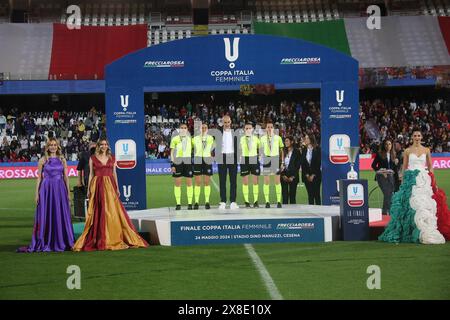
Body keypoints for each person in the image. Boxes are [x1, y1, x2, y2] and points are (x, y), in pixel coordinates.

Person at [73, 138, 148, 251]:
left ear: (108, 146)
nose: (104, 146)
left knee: (112, 211)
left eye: (105, 144)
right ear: (98, 146)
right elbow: (91, 174)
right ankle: (100, 236)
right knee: (99, 210)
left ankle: (112, 235)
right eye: (102, 144)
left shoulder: (112, 157)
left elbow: (114, 173)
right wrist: (89, 189)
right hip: (97, 184)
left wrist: (117, 187)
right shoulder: (92, 158)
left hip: (110, 185)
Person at [379, 129, 450, 244]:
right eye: (415, 135)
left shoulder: (426, 150)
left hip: (423, 179)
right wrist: (402, 179)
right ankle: (411, 228)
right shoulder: (407, 151)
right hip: (410, 179)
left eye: (419, 135)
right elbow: (404, 166)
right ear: (412, 137)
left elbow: (430, 166)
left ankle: (425, 226)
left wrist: (432, 177)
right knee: (407, 205)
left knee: (425, 203)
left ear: (421, 137)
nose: (417, 137)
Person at [18, 138, 74, 252]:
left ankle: (62, 240)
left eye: (55, 145)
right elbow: (39, 178)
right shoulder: (43, 160)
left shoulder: (62, 159)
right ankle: (45, 240)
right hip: (46, 189)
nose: (53, 147)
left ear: (58, 146)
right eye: (51, 145)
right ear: (47, 147)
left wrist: (68, 193)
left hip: (60, 189)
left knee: (60, 213)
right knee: (46, 213)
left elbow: (66, 177)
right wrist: (36, 194)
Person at [170, 123, 194, 210]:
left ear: (187, 129)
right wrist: (172, 164)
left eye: (185, 128)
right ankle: (178, 204)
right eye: (182, 128)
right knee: (177, 184)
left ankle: (190, 204)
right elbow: (172, 152)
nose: (183, 129)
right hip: (177, 161)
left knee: (189, 183)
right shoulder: (175, 139)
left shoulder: (190, 139)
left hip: (187, 161)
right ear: (179, 129)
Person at [217, 115, 239, 210]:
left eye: (228, 122)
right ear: (222, 122)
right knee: (222, 181)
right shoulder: (218, 133)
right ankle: (223, 201)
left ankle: (233, 202)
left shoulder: (235, 133)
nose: (226, 124)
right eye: (224, 122)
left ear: (231, 122)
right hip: (222, 157)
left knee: (233, 181)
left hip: (232, 157)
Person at [260, 121, 284, 208]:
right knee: (266, 181)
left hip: (275, 159)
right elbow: (260, 150)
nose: (269, 129)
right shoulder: (262, 138)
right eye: (268, 127)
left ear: (273, 128)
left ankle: (279, 201)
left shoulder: (278, 138)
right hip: (266, 160)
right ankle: (267, 202)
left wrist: (282, 162)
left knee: (277, 181)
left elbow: (282, 151)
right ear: (266, 128)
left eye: (271, 127)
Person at [371, 139, 398, 215]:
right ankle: (388, 211)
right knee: (387, 193)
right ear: (384, 145)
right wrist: (381, 170)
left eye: (389, 144)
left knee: (389, 193)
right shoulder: (379, 154)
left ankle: (385, 212)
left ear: (392, 145)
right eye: (386, 144)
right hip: (381, 176)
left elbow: (394, 168)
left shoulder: (393, 154)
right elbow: (373, 165)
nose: (388, 146)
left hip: (391, 177)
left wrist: (396, 164)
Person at [192, 123, 215, 209]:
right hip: (198, 159)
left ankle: (207, 202)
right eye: (202, 127)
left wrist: (212, 156)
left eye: (205, 127)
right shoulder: (194, 139)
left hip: (207, 160)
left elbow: (213, 149)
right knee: (197, 182)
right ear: (200, 129)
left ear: (208, 129)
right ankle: (196, 202)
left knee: (206, 182)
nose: (204, 129)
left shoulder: (211, 138)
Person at [239, 122, 261, 208]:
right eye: (246, 128)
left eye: (249, 128)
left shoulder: (256, 138)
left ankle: (255, 201)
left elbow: (261, 147)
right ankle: (247, 202)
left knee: (255, 182)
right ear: (244, 130)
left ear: (252, 129)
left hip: (254, 159)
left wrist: (259, 155)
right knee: (245, 182)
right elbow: (239, 149)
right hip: (245, 159)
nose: (248, 130)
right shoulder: (241, 139)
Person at [300, 134, 321, 205]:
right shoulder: (304, 150)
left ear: (311, 139)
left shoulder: (317, 149)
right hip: (307, 177)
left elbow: (318, 163)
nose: (305, 140)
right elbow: (303, 163)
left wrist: (313, 175)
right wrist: (307, 175)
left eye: (306, 138)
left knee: (317, 195)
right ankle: (312, 213)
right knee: (310, 195)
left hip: (316, 176)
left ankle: (319, 212)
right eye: (305, 138)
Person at [281, 136, 301, 204]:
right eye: (285, 141)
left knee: (292, 197)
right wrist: (283, 175)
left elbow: (298, 166)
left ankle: (293, 213)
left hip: (293, 177)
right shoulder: (283, 151)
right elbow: (280, 164)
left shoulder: (297, 151)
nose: (285, 142)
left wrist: (292, 177)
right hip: (284, 176)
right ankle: (284, 213)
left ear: (292, 142)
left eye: (287, 141)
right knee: (284, 197)